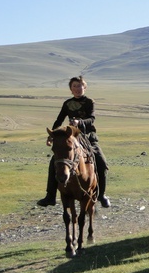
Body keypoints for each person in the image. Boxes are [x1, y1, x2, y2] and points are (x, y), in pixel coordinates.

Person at [37, 76, 111, 208]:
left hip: (88, 136)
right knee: (55, 162)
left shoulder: (89, 102)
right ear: (71, 89)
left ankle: (101, 195)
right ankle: (50, 196)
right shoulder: (67, 104)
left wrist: (79, 122)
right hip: (72, 137)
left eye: (80, 86)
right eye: (74, 86)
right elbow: (59, 120)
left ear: (85, 88)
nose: (77, 89)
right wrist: (52, 135)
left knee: (102, 162)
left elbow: (92, 118)